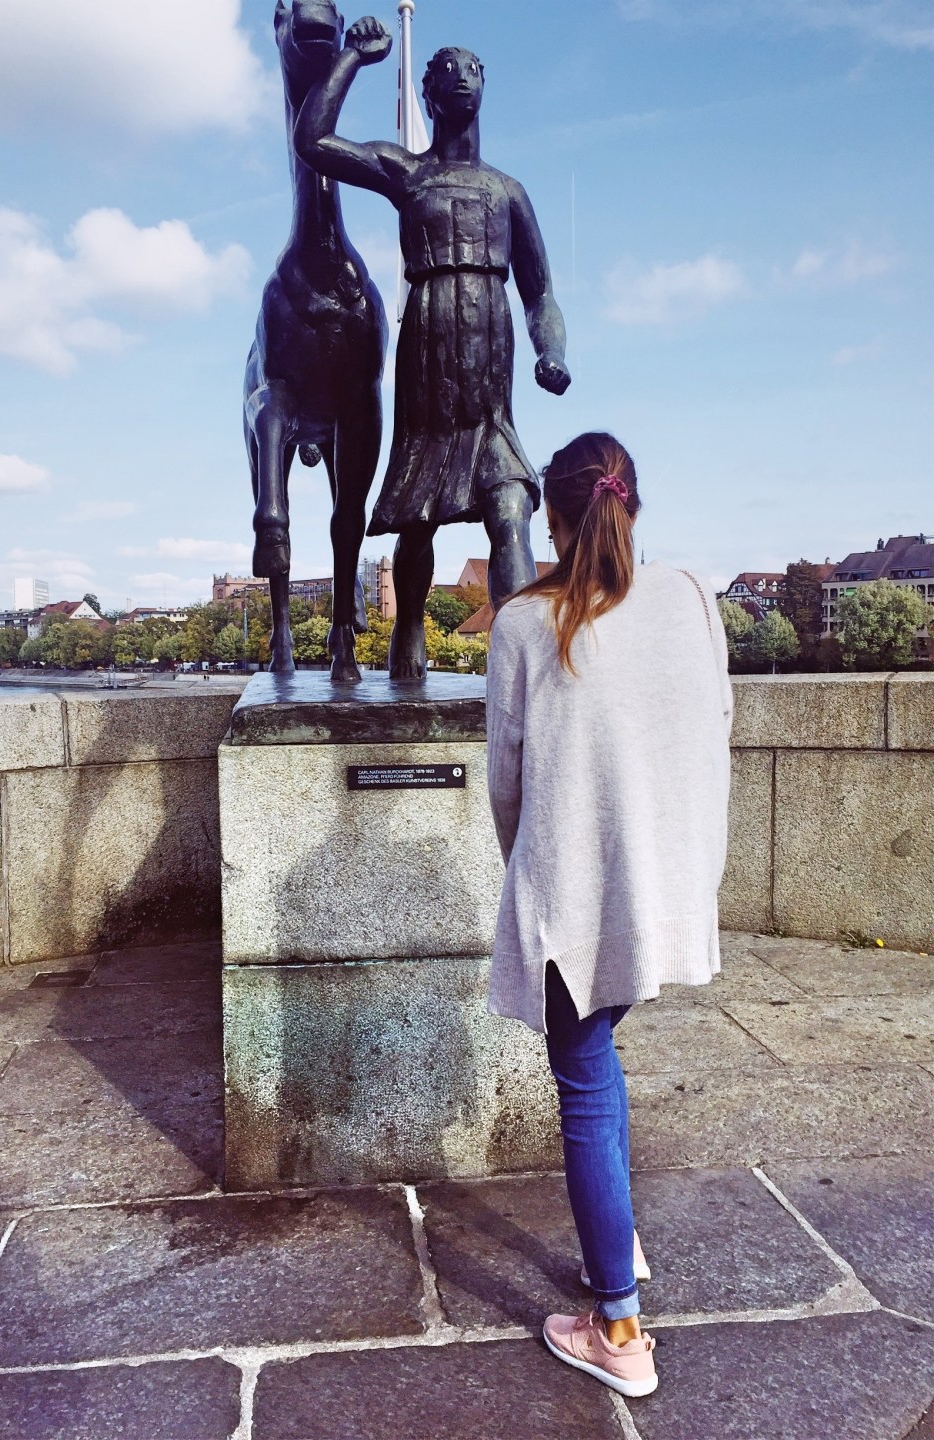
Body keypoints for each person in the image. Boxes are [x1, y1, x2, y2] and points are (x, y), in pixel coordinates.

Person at [485, 432, 733, 1398]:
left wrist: (528, 873)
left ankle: (619, 1330)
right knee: (601, 1064)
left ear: (550, 517)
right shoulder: (691, 597)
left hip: (578, 896)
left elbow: (508, 786)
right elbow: (714, 724)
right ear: (633, 503)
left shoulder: (524, 625)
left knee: (583, 1079)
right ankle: (613, 1243)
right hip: (665, 883)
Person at [296, 17, 570, 678]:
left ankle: (521, 670)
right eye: (448, 70)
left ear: (485, 88)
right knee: (417, 520)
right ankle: (409, 632)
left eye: (473, 69)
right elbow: (315, 141)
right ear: (429, 94)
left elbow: (540, 292)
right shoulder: (407, 172)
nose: (462, 77)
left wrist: (551, 350)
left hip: (490, 394)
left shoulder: (508, 192)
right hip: (427, 368)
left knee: (511, 508)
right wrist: (352, 59)